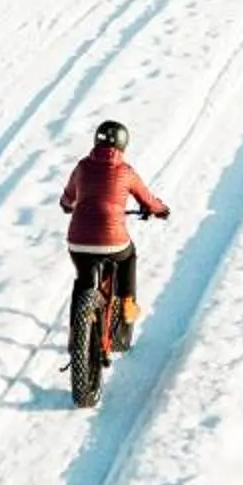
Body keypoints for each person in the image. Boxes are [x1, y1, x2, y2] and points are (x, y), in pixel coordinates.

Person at [60, 118, 168, 353]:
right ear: (123, 145)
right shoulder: (126, 172)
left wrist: (68, 205)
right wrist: (160, 209)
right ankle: (126, 306)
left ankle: (74, 336)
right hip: (113, 242)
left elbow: (68, 196)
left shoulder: (82, 166)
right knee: (128, 256)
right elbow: (148, 200)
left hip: (78, 241)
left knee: (82, 281)